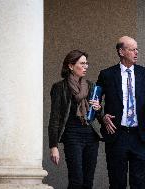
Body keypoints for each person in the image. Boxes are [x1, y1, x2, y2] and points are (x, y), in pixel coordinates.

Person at [96, 36, 145, 189]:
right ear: (121, 51)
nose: (136, 52)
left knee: (138, 182)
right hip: (117, 136)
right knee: (117, 182)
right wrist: (102, 117)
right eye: (132, 49)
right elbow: (95, 102)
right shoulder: (107, 75)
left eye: (137, 49)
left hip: (140, 136)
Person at [48, 50, 102, 189]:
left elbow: (97, 115)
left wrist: (98, 108)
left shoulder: (90, 85)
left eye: (86, 63)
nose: (86, 66)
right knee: (76, 179)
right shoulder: (59, 87)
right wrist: (53, 146)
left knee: (88, 181)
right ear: (71, 66)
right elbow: (55, 117)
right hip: (72, 136)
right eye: (82, 63)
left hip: (91, 136)